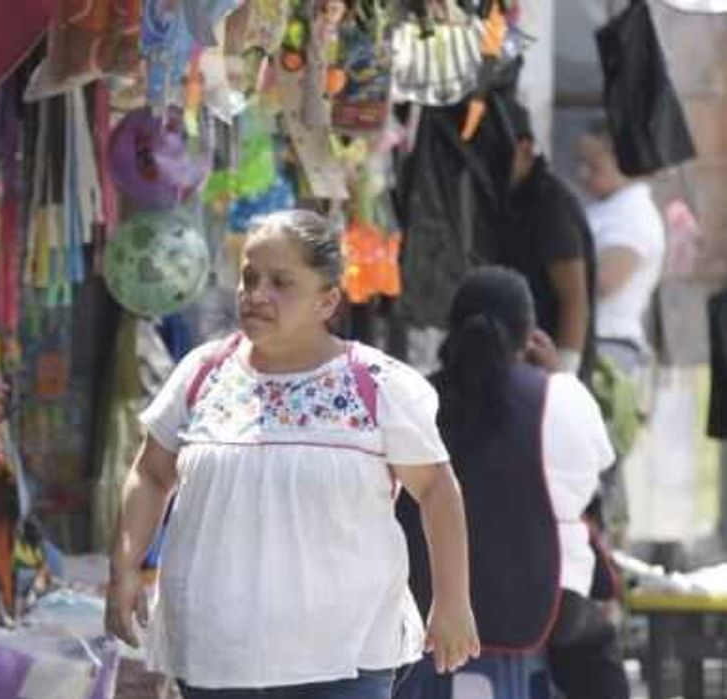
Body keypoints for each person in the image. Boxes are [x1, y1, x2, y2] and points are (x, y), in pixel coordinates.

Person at [105, 210, 479, 699]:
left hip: (341, 660)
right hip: (216, 657)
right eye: (249, 277)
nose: (257, 294)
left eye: (281, 282)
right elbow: (152, 474)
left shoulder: (376, 385)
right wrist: (125, 570)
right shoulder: (202, 374)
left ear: (327, 301)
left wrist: (452, 602)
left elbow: (435, 488)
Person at [406, 267, 628, 699]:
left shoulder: (413, 398)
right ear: (528, 334)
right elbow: (590, 475)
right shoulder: (556, 397)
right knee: (597, 647)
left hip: (421, 608)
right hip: (533, 606)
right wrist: (556, 374)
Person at [486, 100, 596, 379]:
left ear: (524, 150)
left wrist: (564, 376)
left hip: (546, 366)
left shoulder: (549, 205)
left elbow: (574, 299)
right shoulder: (504, 200)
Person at [577, 119, 666, 380]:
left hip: (610, 343)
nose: (583, 173)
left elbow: (605, 282)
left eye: (594, 166)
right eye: (580, 162)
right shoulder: (606, 207)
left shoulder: (632, 215)